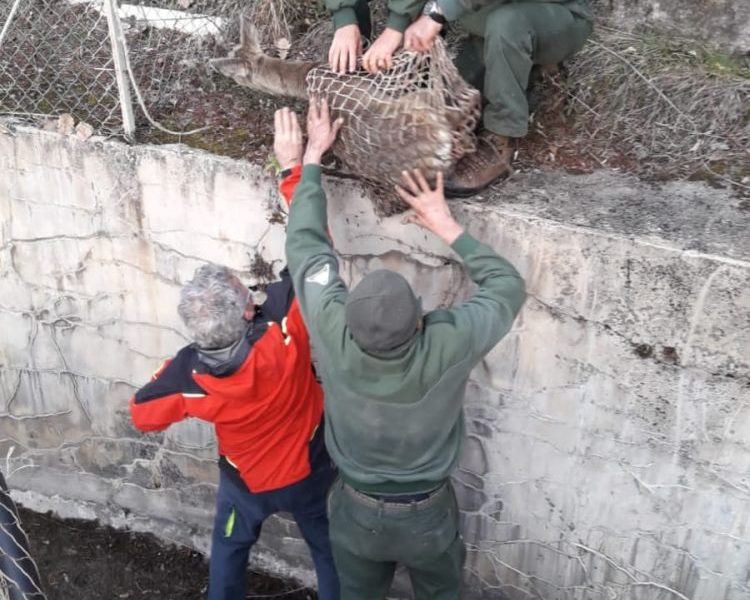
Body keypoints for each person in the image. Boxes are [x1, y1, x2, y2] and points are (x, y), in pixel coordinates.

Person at [281, 97, 525, 599]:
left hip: (355, 512)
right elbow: (507, 287)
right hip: (427, 518)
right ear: (419, 321)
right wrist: (443, 223)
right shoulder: (447, 342)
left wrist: (304, 162)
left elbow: (307, 249)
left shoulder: (332, 329)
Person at [129, 119, 340, 600]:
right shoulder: (285, 325)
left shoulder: (189, 374)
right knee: (330, 551)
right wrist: (298, 167)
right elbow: (313, 252)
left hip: (245, 483)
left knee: (227, 553)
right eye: (250, 293)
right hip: (311, 468)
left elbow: (142, 414)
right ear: (247, 310)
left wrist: (179, 379)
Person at [327, 0, 593, 196]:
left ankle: (502, 135)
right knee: (455, 113)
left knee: (508, 24)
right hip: (483, 15)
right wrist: (346, 20)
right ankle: (505, 56)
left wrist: (435, 14)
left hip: (555, 15)